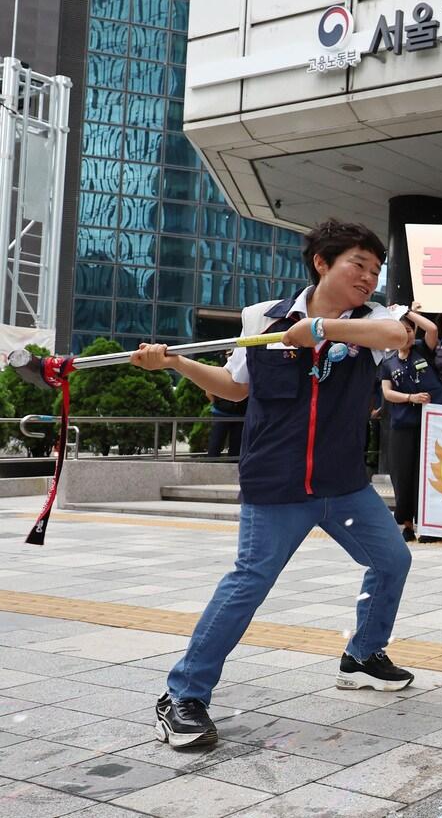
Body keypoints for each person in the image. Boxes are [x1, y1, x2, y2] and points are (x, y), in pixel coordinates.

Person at [131, 220, 417, 749]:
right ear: (322, 263)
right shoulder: (262, 319)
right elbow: (235, 389)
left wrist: (324, 330)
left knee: (392, 560)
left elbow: (396, 336)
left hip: (343, 485)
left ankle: (362, 653)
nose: (368, 278)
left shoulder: (372, 318)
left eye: (376, 271)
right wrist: (174, 362)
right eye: (359, 265)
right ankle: (183, 696)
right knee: (249, 582)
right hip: (277, 482)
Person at [382, 308, 442, 543]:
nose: (406, 335)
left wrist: (407, 311)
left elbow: (432, 329)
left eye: (409, 330)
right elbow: (387, 393)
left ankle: (428, 525)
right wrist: (410, 398)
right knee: (403, 475)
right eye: (400, 330)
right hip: (402, 426)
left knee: (428, 474)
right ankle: (406, 524)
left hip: (430, 425)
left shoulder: (423, 350)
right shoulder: (388, 361)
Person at [205, 357, 246, 458]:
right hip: (221, 412)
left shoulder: (244, 369)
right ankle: (210, 465)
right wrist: (217, 403)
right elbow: (209, 391)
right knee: (216, 442)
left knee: (236, 445)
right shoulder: (223, 368)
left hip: (240, 413)